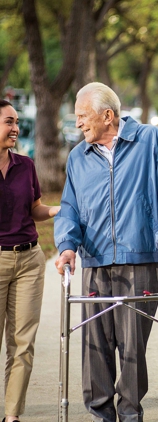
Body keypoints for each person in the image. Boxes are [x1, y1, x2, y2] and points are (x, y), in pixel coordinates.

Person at [54, 82, 158, 422]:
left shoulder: (149, 141)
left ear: (107, 115)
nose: (79, 123)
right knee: (94, 349)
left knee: (131, 349)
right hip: (95, 263)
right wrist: (67, 247)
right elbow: (69, 209)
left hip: (140, 260)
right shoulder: (77, 158)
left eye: (83, 116)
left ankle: (130, 415)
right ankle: (101, 416)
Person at [0, 99, 60, 422]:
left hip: (29, 260)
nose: (15, 128)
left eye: (16, 122)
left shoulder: (26, 165)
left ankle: (12, 416)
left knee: (22, 344)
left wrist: (56, 211)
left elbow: (35, 208)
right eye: (9, 122)